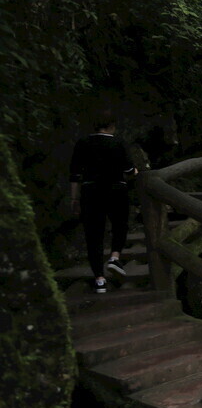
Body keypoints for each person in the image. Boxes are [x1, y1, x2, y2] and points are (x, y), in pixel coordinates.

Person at [70, 109, 138, 293]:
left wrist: (74, 199)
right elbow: (130, 170)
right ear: (112, 125)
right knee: (120, 225)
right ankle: (115, 257)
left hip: (90, 191)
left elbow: (75, 175)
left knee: (93, 234)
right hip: (116, 189)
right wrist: (135, 172)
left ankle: (99, 279)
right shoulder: (118, 143)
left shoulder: (82, 143)